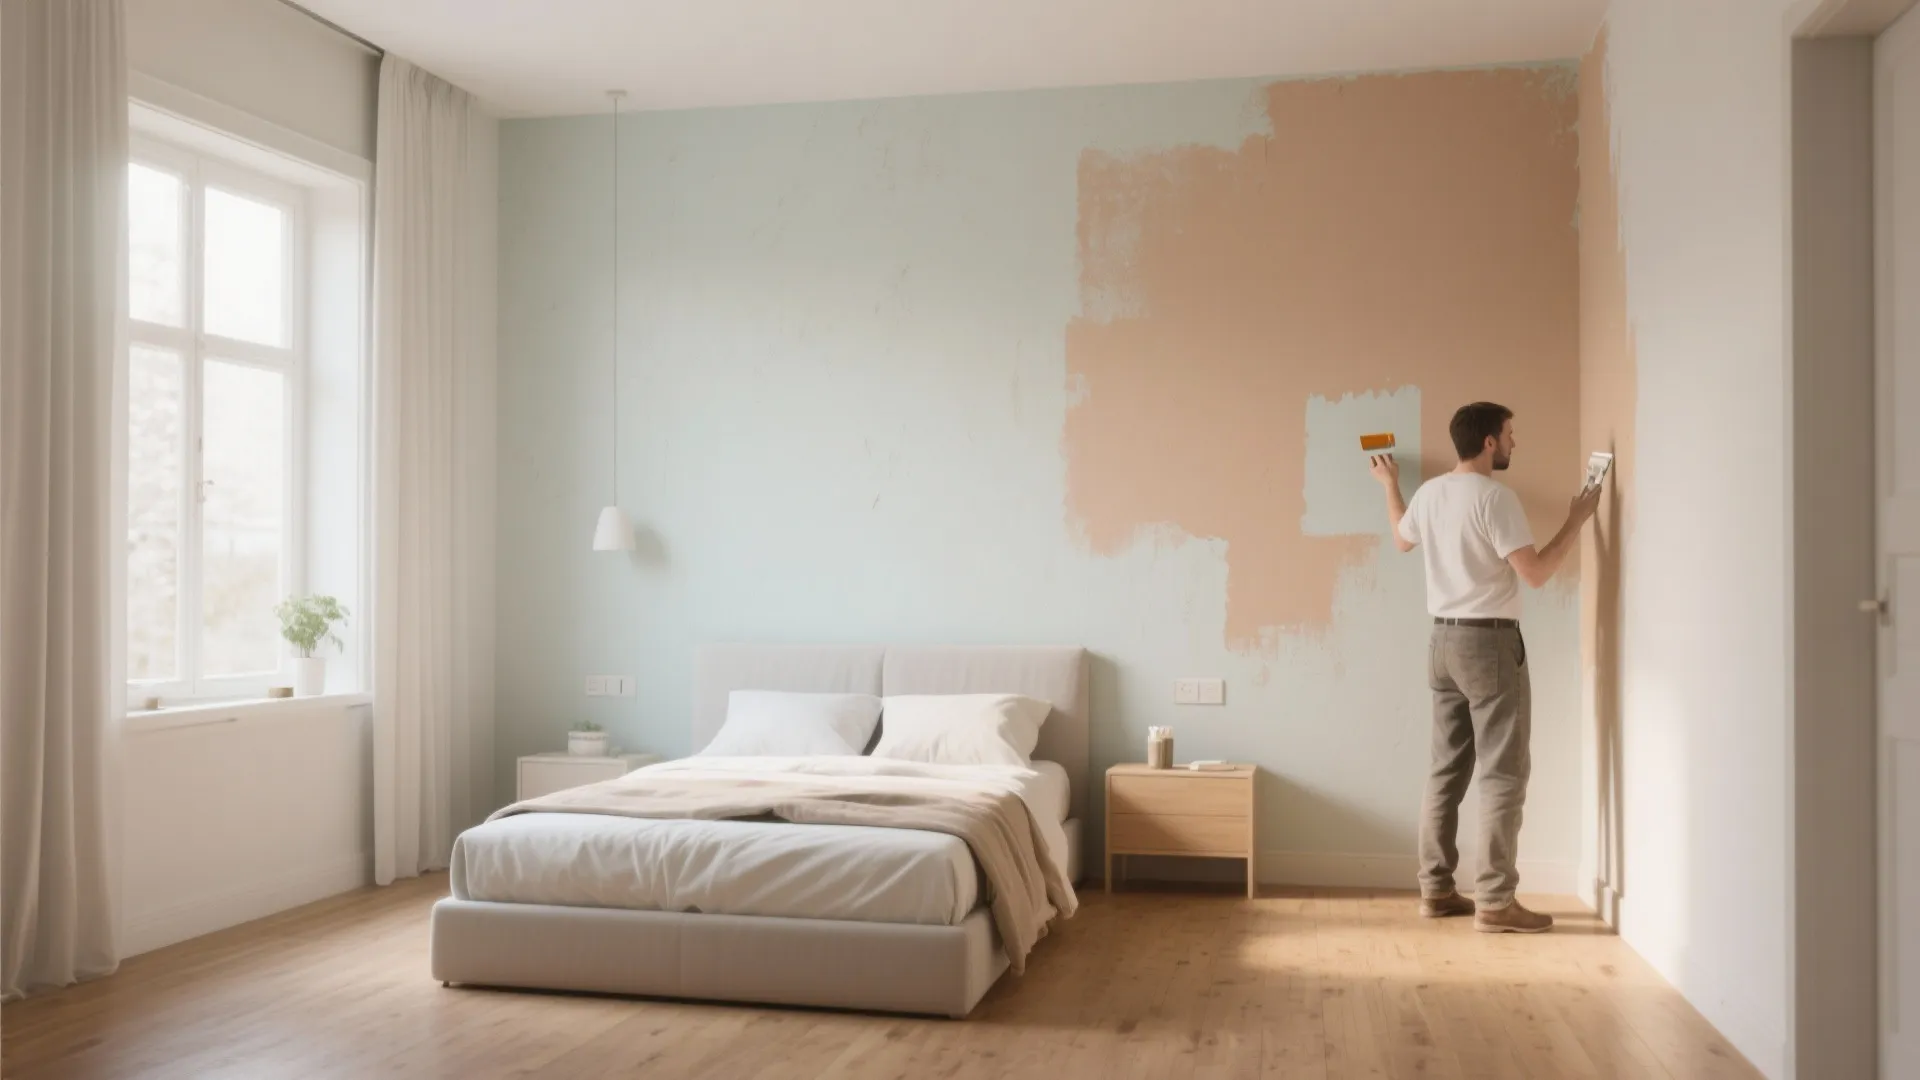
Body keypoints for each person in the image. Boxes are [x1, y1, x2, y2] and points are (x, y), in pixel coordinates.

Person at [1368, 402, 1599, 934]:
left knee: (1445, 769)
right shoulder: (1496, 498)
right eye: (1511, 434)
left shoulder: (1428, 494)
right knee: (1502, 772)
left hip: (1441, 643)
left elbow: (1403, 539)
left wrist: (1389, 485)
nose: (1515, 442)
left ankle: (1437, 889)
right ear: (1490, 442)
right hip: (1489, 645)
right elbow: (1536, 573)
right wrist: (1576, 519)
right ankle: (1495, 900)